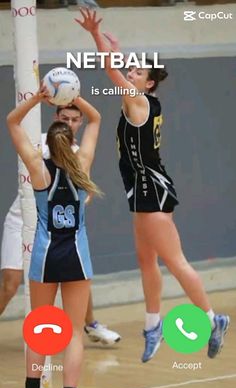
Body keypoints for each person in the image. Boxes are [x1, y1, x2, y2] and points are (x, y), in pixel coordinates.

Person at [76, 9, 230, 363]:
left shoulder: (138, 100)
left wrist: (96, 37)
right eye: (132, 69)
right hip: (143, 191)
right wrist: (116, 46)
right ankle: (152, 326)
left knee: (175, 262)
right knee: (147, 261)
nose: (131, 73)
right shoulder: (143, 101)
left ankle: (213, 318)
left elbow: (110, 71)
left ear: (147, 84)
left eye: (138, 72)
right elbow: (119, 69)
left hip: (152, 190)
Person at [6, 84, 103, 388]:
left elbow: (12, 123)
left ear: (47, 142)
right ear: (70, 138)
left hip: (45, 257)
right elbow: (96, 118)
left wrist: (37, 98)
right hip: (77, 255)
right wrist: (74, 97)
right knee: (74, 333)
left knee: (41, 327)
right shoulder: (83, 164)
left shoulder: (38, 168)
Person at [0, 103, 121, 346]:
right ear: (56, 117)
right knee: (10, 283)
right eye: (64, 117)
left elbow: (83, 186)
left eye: (75, 119)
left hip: (53, 222)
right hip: (23, 218)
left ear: (80, 123)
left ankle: (90, 324)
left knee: (76, 271)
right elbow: (14, 124)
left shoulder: (80, 152)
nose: (69, 123)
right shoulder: (41, 141)